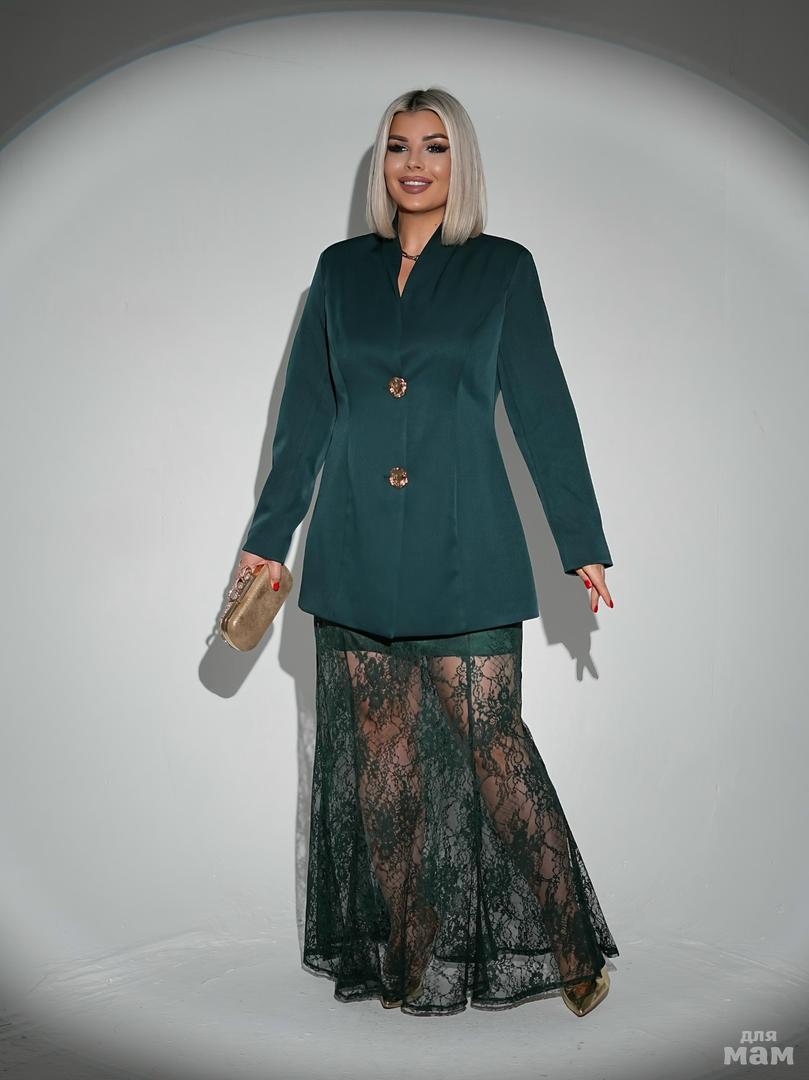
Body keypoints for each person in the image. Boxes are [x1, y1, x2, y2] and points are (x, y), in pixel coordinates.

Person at [237, 87, 618, 1017]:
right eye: (400, 146)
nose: (414, 163)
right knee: (386, 771)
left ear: (461, 162)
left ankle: (572, 942)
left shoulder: (502, 268)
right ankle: (411, 952)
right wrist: (267, 540)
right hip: (355, 548)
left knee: (495, 749)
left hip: (467, 546)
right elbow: (304, 418)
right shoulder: (339, 272)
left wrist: (581, 539)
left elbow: (543, 407)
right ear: (383, 162)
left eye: (435, 146)